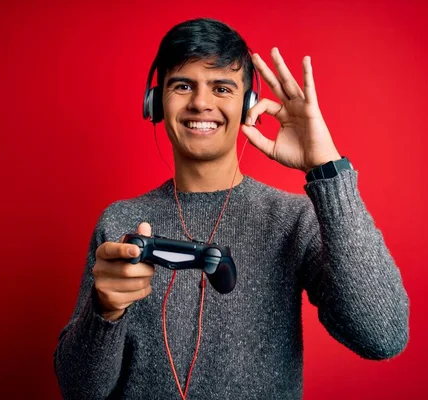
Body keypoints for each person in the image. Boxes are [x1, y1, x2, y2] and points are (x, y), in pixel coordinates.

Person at [54, 17, 409, 400]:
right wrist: (104, 312)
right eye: (183, 85)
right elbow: (80, 391)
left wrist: (326, 168)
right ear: (156, 103)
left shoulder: (292, 220)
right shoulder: (119, 222)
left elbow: (382, 335)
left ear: (247, 105)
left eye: (221, 87)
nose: (201, 102)